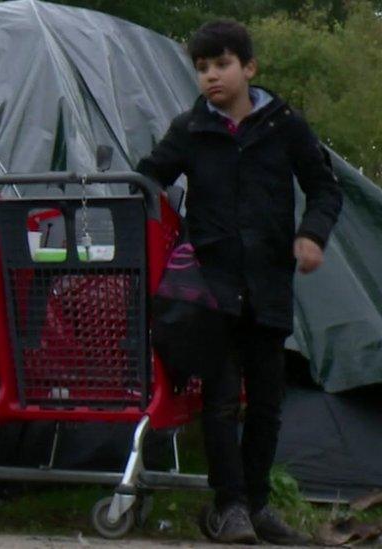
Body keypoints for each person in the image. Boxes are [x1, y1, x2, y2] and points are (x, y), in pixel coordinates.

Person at [137, 20, 342, 545]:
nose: (211, 77)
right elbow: (150, 175)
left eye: (222, 65)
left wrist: (312, 235)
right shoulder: (190, 130)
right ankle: (227, 508)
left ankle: (257, 504)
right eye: (201, 68)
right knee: (222, 397)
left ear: (249, 68)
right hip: (211, 285)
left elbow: (324, 187)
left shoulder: (285, 125)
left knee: (267, 402)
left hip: (269, 284)